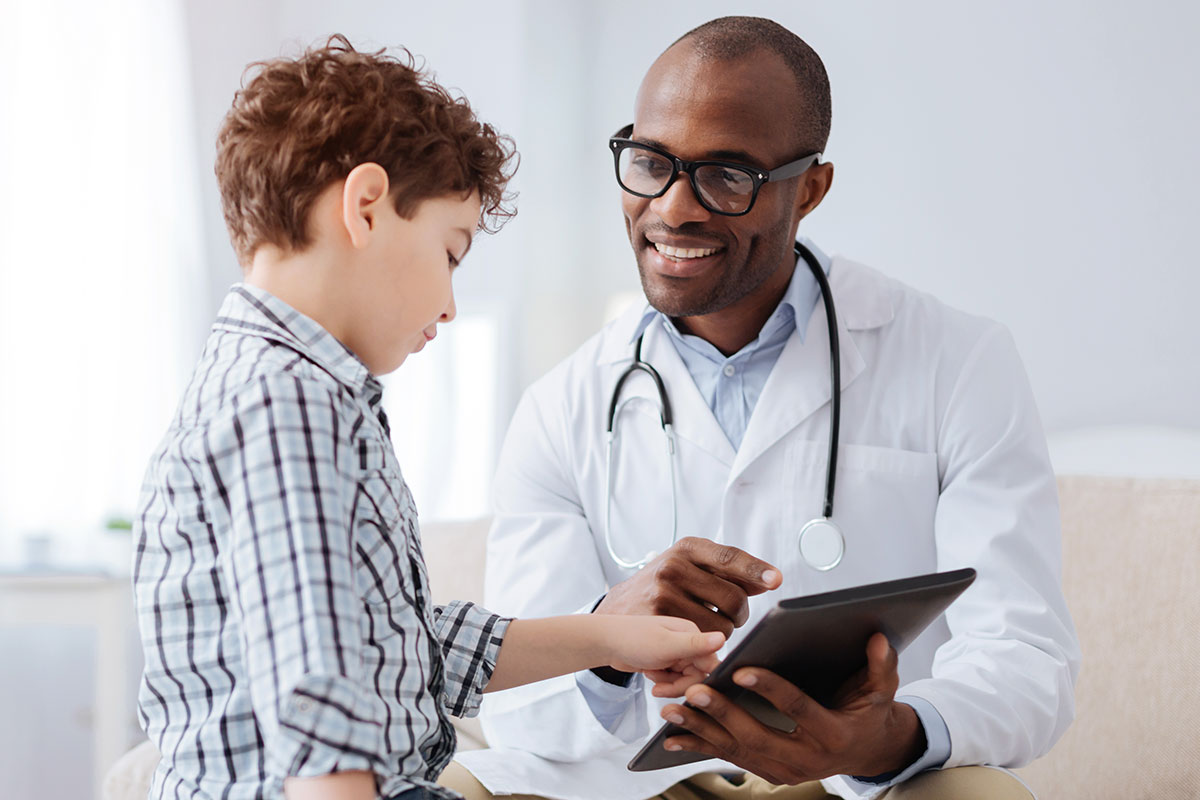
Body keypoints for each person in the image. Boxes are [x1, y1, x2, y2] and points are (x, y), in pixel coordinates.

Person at [443, 16, 1080, 800]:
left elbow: (1025, 657)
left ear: (809, 188)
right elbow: (522, 713)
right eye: (650, 163)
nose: (674, 209)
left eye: (727, 175)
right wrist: (607, 639)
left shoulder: (957, 361)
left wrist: (888, 736)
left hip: (857, 778)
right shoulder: (562, 406)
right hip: (644, 781)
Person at [131, 36, 727, 800]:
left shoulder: (285, 393)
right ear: (367, 207)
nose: (449, 305)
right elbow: (321, 701)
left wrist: (612, 638)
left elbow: (397, 651)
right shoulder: (287, 408)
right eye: (451, 251)